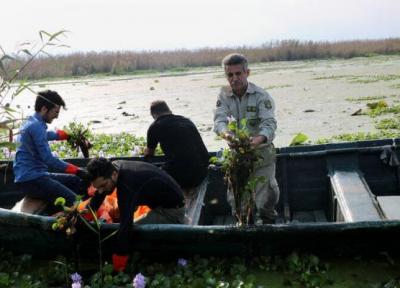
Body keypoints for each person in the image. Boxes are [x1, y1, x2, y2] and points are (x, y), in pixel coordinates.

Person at [213, 53, 280, 224]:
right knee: (237, 202)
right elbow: (219, 121)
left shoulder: (261, 96)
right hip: (236, 156)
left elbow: (269, 124)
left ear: (247, 73)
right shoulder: (223, 95)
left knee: (265, 199)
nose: (234, 78)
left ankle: (269, 223)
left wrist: (258, 140)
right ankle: (244, 226)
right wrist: (226, 134)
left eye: (238, 73)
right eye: (230, 75)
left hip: (260, 154)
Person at [85, 157, 185, 272]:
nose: (101, 190)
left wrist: (118, 262)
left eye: (103, 186)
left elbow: (126, 226)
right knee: (121, 213)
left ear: (113, 175)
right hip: (157, 199)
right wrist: (85, 214)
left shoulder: (127, 184)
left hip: (171, 212)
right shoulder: (114, 167)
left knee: (131, 235)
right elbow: (99, 194)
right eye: (98, 187)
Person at [13, 90, 88, 210]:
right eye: (55, 112)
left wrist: (65, 135)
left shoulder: (31, 122)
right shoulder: (36, 126)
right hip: (33, 180)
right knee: (76, 201)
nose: (57, 116)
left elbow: (45, 135)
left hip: (31, 178)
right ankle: (86, 217)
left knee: (75, 181)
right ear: (44, 109)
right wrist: (76, 170)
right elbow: (48, 159)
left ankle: (63, 212)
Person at [144, 100, 209, 209]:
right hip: (202, 172)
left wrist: (145, 152)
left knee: (153, 177)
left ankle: (168, 208)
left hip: (181, 173)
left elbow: (150, 153)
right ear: (169, 110)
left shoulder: (155, 126)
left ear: (153, 115)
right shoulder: (187, 121)